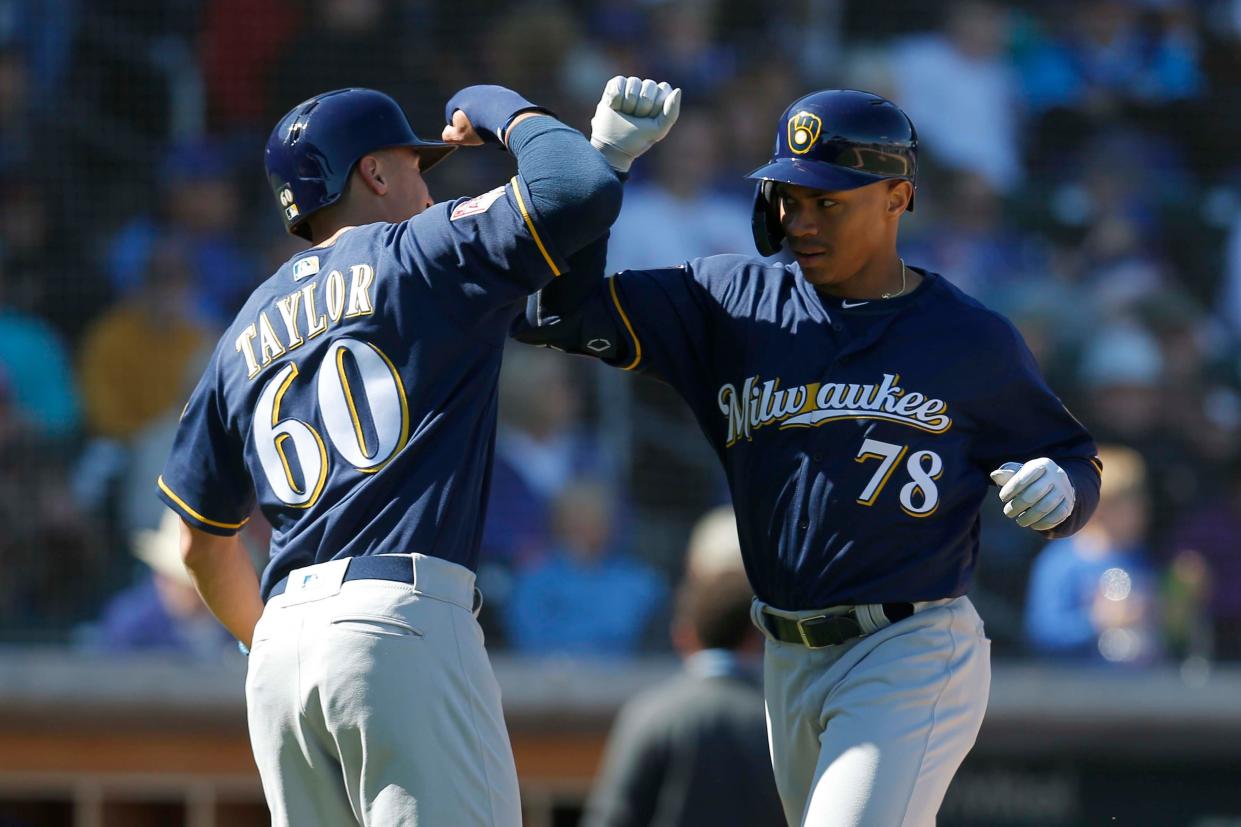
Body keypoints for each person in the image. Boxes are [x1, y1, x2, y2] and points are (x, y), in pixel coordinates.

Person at [517, 89, 1101, 826]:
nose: (800, 220)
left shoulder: (969, 339)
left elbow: (1071, 457)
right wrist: (598, 168)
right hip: (784, 654)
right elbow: (558, 311)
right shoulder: (728, 302)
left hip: (910, 645)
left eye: (827, 202)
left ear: (896, 198)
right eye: (789, 197)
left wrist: (1062, 487)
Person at [155, 81, 677, 826]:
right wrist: (492, 101)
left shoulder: (241, 328)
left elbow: (197, 543)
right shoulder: (421, 252)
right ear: (373, 173)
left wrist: (270, 636)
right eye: (413, 165)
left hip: (279, 652)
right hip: (396, 621)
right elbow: (573, 188)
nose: (424, 184)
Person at [582, 568, 784, 827]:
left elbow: (612, 818)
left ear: (683, 634)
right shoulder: (778, 722)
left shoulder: (650, 714)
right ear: (755, 637)